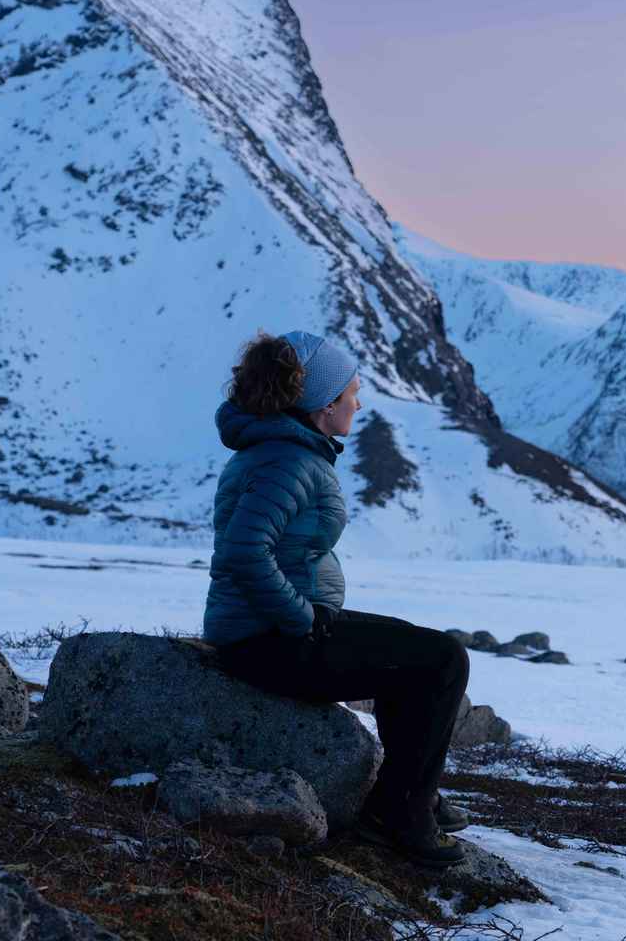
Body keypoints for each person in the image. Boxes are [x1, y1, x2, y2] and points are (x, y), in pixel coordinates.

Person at [202, 329, 471, 868]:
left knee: (417, 651)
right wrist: (301, 617)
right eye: (351, 392)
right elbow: (244, 551)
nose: (359, 401)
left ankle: (409, 796)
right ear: (325, 408)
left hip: (267, 629)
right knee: (442, 660)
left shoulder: (284, 451)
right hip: (269, 640)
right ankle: (400, 813)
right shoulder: (288, 462)